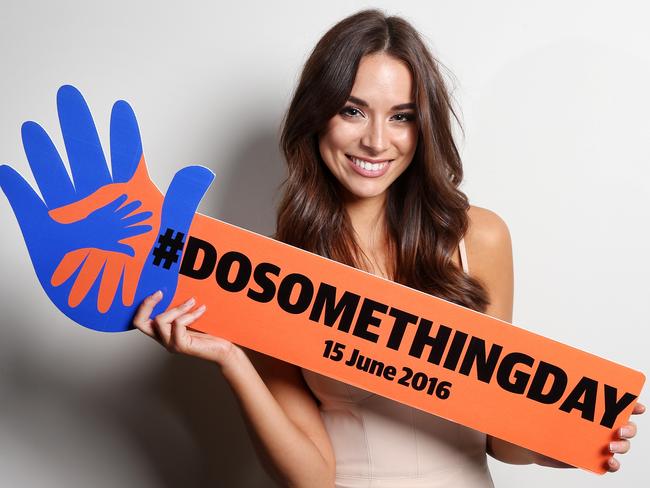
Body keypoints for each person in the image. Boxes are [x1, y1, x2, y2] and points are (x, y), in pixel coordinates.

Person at [132, 9, 644, 488]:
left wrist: (557, 442)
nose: (377, 141)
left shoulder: (478, 239)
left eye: (400, 116)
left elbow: (501, 439)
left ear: (423, 127)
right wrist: (232, 358)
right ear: (317, 117)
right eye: (353, 111)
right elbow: (310, 476)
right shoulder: (274, 270)